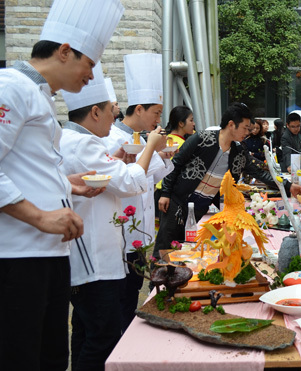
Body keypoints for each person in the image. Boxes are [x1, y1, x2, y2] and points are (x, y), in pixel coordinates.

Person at [0, 0, 124, 369]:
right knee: (21, 356)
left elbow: (23, 166)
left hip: (48, 254)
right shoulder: (11, 87)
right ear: (65, 51)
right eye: (89, 64)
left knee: (52, 356)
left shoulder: (39, 96)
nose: (91, 75)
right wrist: (40, 216)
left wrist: (67, 185)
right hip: (18, 256)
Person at [60, 63, 167, 370]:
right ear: (95, 112)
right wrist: (149, 147)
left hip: (92, 251)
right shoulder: (83, 143)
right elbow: (132, 182)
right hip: (94, 256)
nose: (115, 117)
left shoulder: (73, 140)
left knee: (84, 332)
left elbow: (116, 177)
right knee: (103, 338)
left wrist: (120, 160)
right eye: (111, 111)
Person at [155, 103, 301, 257]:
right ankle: (155, 280)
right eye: (245, 128)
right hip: (177, 202)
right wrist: (165, 192)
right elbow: (175, 163)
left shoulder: (239, 151)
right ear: (231, 125)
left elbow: (259, 173)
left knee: (182, 248)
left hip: (199, 208)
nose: (248, 132)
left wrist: (288, 186)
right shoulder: (202, 138)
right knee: (164, 247)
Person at [102, 53, 174, 332]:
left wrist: (161, 154)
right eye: (156, 112)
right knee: (122, 300)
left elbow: (154, 176)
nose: (159, 119)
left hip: (141, 231)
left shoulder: (142, 138)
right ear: (140, 109)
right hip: (121, 231)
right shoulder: (111, 139)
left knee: (133, 293)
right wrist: (153, 150)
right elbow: (129, 180)